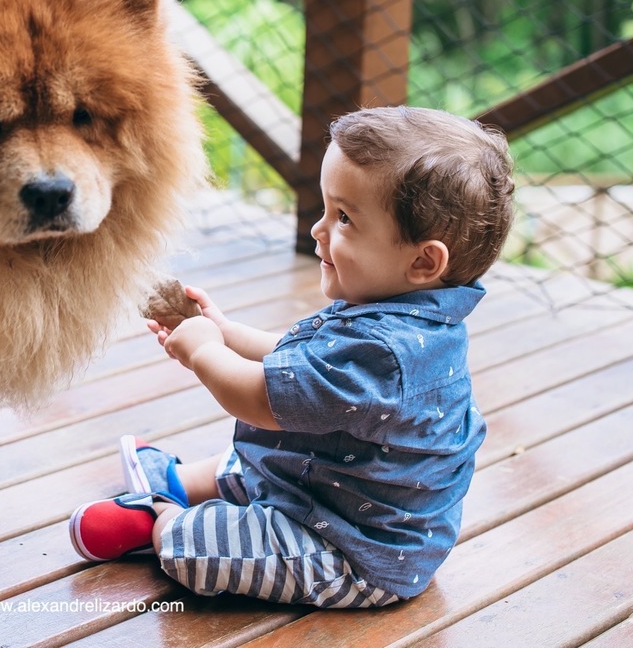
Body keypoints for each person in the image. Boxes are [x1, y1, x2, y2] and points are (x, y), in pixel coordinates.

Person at [69, 106, 516, 608]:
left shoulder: (386, 353)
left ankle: (160, 518)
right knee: (256, 459)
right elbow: (302, 363)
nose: (318, 230)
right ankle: (177, 480)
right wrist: (227, 332)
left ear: (422, 260)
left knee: (192, 550)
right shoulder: (405, 316)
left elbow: (258, 399)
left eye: (344, 218)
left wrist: (203, 351)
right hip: (330, 488)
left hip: (353, 551)